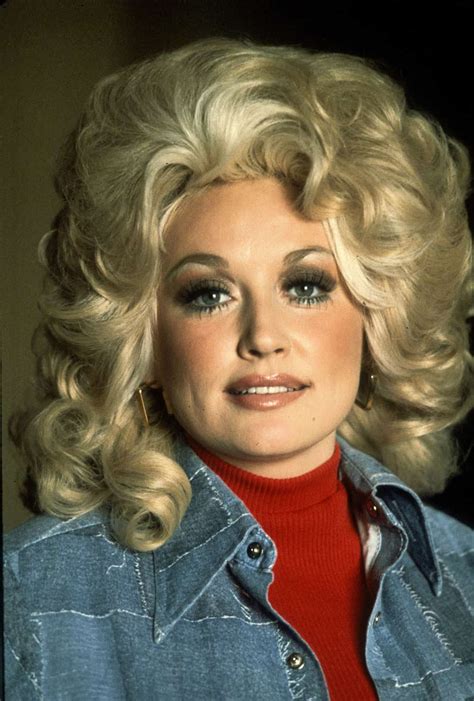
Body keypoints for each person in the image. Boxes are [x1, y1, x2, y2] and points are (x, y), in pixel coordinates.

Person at [4, 37, 473, 700]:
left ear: (377, 318)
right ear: (145, 343)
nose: (263, 337)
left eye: (306, 285)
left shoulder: (464, 575)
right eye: (208, 294)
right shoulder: (29, 602)